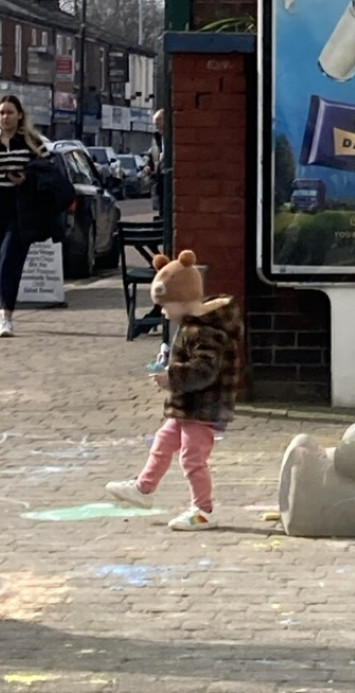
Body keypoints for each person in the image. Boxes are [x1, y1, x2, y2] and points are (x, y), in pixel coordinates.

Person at [106, 249, 243, 531]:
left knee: (192, 458)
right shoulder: (192, 325)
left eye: (166, 306)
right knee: (163, 442)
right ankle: (144, 488)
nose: (164, 313)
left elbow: (204, 370)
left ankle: (203, 510)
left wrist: (171, 376)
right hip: (188, 406)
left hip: (203, 407)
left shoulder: (205, 331)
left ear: (182, 300)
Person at [0, 95, 50, 338]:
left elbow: (47, 170)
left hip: (20, 205)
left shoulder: (30, 141)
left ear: (19, 115)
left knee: (9, 258)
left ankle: (5, 314)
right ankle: (2, 299)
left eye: (10, 112)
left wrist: (26, 179)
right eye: (1, 113)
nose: (5, 117)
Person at [144, 108, 165, 216]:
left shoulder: (173, 136)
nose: (156, 126)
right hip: (158, 179)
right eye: (155, 123)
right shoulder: (155, 138)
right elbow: (151, 155)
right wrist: (148, 166)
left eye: (158, 122)